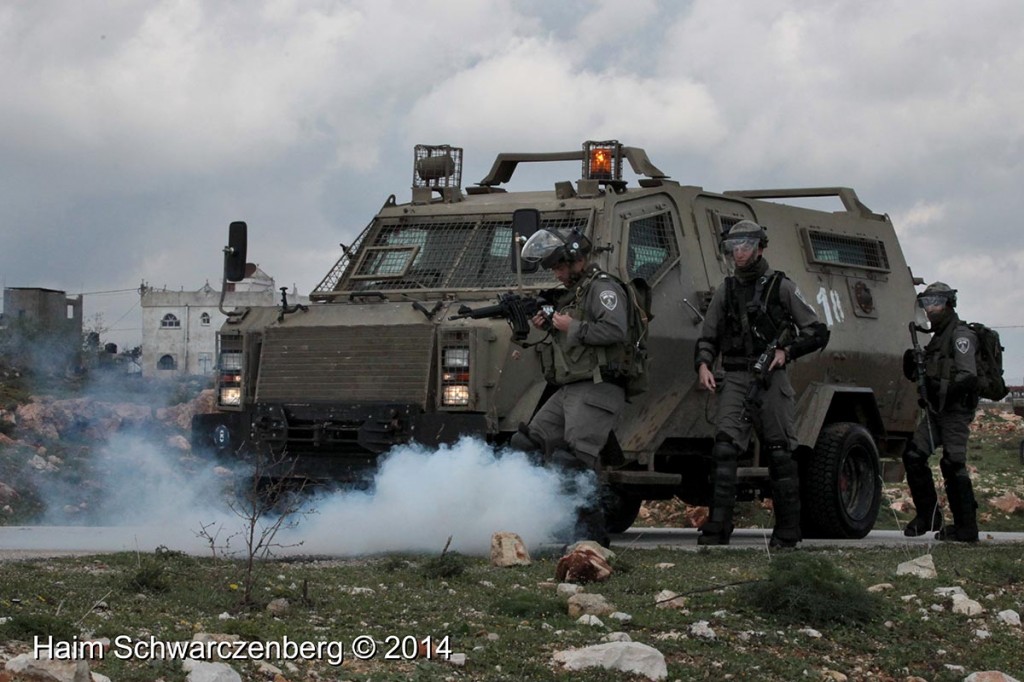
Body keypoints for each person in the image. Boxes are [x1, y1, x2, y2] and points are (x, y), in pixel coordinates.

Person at [693, 221, 829, 548]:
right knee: (724, 449)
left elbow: (817, 331)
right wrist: (703, 365)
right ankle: (718, 526)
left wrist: (787, 351)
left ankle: (787, 532)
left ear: (760, 248)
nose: (739, 252)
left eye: (745, 246)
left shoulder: (781, 287)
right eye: (734, 247)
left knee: (780, 452)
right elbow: (708, 336)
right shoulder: (726, 289)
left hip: (771, 377)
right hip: (736, 377)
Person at [508, 226, 632, 547]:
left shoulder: (603, 289)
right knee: (527, 443)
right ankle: (545, 521)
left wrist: (571, 326)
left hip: (597, 386)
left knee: (574, 462)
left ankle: (592, 540)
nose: (557, 273)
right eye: (553, 268)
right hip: (570, 387)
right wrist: (549, 324)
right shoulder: (573, 293)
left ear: (577, 259)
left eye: (560, 266)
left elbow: (615, 330)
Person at [901, 281, 980, 543]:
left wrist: (939, 387)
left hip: (955, 411)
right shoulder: (937, 338)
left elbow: (967, 377)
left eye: (935, 303)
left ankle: (966, 527)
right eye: (926, 303)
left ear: (947, 304)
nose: (930, 309)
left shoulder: (960, 336)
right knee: (913, 455)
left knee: (953, 464)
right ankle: (928, 515)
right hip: (937, 410)